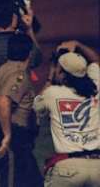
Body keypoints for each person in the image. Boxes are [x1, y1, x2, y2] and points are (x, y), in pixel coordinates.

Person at [0, 34, 42, 187]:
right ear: (30, 53)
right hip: (15, 140)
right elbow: (3, 101)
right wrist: (7, 135)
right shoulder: (19, 75)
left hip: (10, 139)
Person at [34, 41, 100, 187]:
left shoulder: (52, 93)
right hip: (97, 167)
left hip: (67, 169)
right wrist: (78, 44)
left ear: (62, 74)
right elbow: (95, 60)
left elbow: (35, 106)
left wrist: (51, 75)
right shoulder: (96, 87)